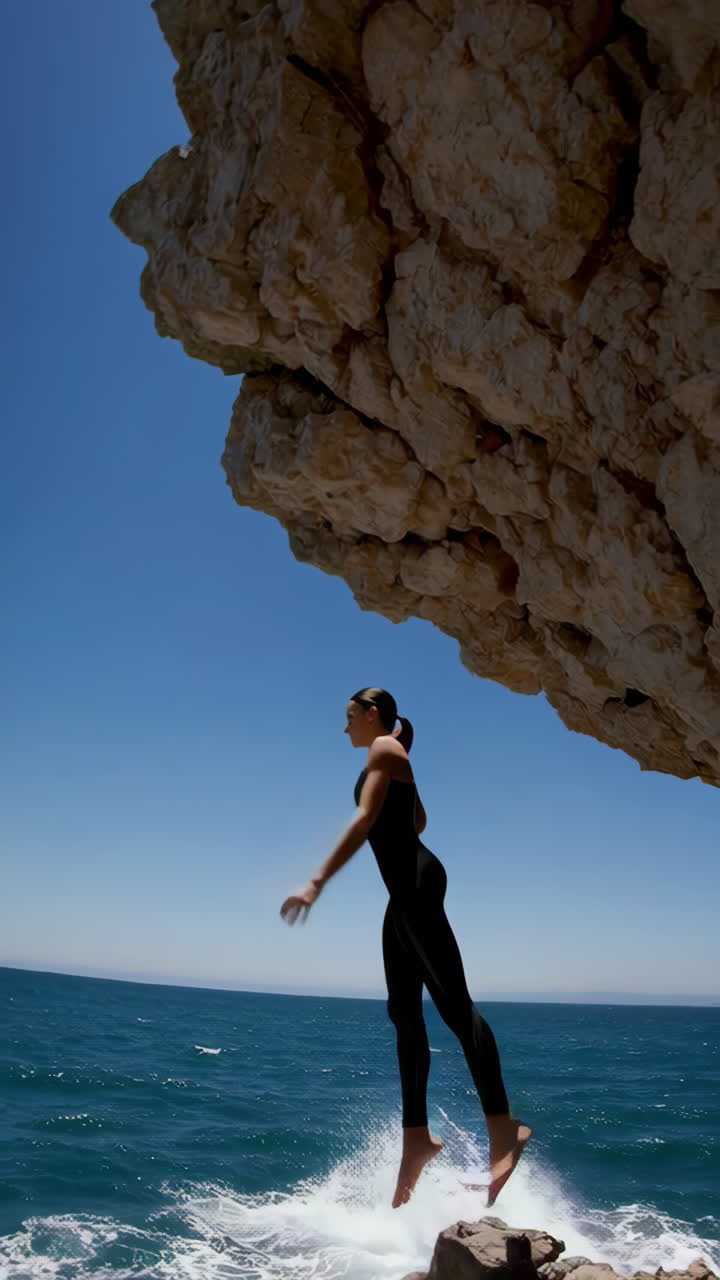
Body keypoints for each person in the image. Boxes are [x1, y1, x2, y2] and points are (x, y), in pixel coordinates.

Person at [280, 687, 531, 1208]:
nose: (345, 728)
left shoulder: (383, 751)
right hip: (406, 894)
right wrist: (401, 764)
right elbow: (415, 822)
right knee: (404, 1013)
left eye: (350, 717)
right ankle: (417, 1138)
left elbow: (367, 821)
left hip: (415, 889)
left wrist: (316, 882)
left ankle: (505, 1128)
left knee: (455, 1009)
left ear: (373, 715)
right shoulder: (394, 754)